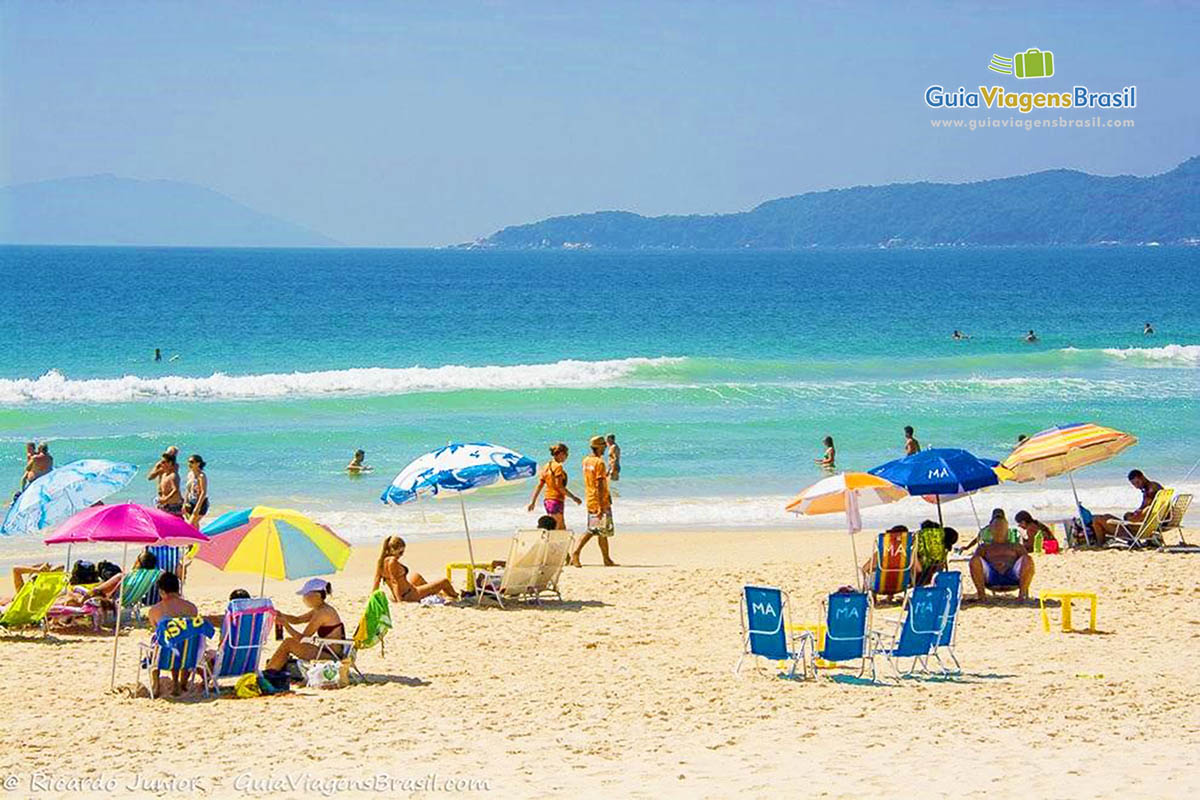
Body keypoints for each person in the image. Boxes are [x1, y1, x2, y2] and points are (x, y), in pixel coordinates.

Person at [264, 579, 345, 672]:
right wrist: (281, 615)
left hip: (330, 655)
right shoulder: (320, 608)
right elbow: (298, 619)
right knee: (288, 643)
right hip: (325, 650)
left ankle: (268, 673)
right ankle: (271, 670)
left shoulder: (323, 613)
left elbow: (303, 638)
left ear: (317, 595)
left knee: (288, 643)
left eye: (306, 595)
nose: (304, 598)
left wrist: (285, 625)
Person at [145, 571, 201, 696]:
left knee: (158, 642)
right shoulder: (192, 608)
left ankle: (156, 684)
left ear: (162, 590)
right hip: (187, 656)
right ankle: (180, 683)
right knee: (183, 642)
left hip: (164, 656)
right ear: (177, 588)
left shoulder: (154, 611)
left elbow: (157, 632)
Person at [570, 436, 615, 567]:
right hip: (599, 500)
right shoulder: (599, 463)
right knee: (593, 529)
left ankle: (606, 559)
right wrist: (601, 505)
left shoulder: (586, 461)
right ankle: (576, 552)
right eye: (604, 446)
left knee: (602, 530)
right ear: (599, 447)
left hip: (590, 498)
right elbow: (600, 484)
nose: (605, 448)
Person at [1089, 469, 1165, 545]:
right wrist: (1131, 515)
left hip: (1132, 531)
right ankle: (1102, 542)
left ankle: (1099, 544)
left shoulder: (1150, 492)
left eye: (1137, 482)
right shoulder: (1155, 487)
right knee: (1106, 516)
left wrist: (1130, 518)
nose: (1136, 486)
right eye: (1134, 484)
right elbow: (1144, 511)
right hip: (1144, 526)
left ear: (1142, 477)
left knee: (1097, 519)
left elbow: (1144, 512)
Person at [372, 536, 459, 602]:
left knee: (416, 576)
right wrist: (400, 601)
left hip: (405, 592)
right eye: (400, 552)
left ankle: (438, 594)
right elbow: (394, 582)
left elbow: (376, 581)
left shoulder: (380, 562)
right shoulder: (392, 561)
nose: (401, 555)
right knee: (444, 581)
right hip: (410, 595)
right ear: (391, 550)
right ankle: (456, 596)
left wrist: (372, 598)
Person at [526, 443, 581, 529]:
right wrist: (574, 497)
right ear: (560, 454)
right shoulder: (558, 467)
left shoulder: (546, 466)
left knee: (560, 527)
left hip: (548, 500)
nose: (566, 457)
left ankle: (561, 543)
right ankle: (553, 543)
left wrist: (533, 502)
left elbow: (539, 486)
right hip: (556, 500)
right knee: (557, 528)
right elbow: (559, 486)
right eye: (566, 454)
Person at [968, 537, 1035, 602]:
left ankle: (1022, 595)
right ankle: (981, 595)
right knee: (975, 561)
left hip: (1012, 574)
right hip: (991, 575)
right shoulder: (985, 547)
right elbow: (975, 562)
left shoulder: (1015, 546)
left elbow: (1027, 564)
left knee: (1027, 559)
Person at [149, 449, 183, 516]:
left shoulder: (175, 466)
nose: (172, 454)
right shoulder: (160, 465)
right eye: (170, 453)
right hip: (162, 494)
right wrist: (160, 470)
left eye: (174, 454)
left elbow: (175, 485)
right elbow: (150, 477)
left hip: (171, 500)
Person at [183, 454, 209, 528]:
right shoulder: (190, 474)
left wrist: (197, 507)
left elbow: (203, 492)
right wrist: (185, 503)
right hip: (191, 502)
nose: (189, 464)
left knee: (190, 525)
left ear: (198, 463)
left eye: (191, 462)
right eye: (188, 462)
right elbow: (188, 490)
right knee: (194, 525)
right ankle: (199, 539)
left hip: (201, 503)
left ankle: (196, 538)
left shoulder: (201, 476)